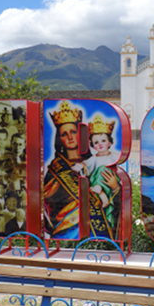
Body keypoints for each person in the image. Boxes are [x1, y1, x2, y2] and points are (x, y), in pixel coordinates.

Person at [43, 101, 119, 240]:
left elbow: (117, 198)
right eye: (64, 134)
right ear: (59, 139)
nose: (70, 137)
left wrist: (114, 188)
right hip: (68, 228)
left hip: (98, 225)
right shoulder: (56, 168)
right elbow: (49, 203)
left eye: (73, 132)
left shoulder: (96, 161)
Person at [72, 115, 120, 225]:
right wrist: (80, 166)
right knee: (100, 170)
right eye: (96, 142)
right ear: (93, 146)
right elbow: (86, 165)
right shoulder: (93, 159)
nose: (100, 144)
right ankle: (101, 194)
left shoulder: (114, 156)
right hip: (97, 185)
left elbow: (119, 167)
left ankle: (104, 195)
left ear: (110, 143)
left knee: (104, 169)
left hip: (109, 183)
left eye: (103, 140)